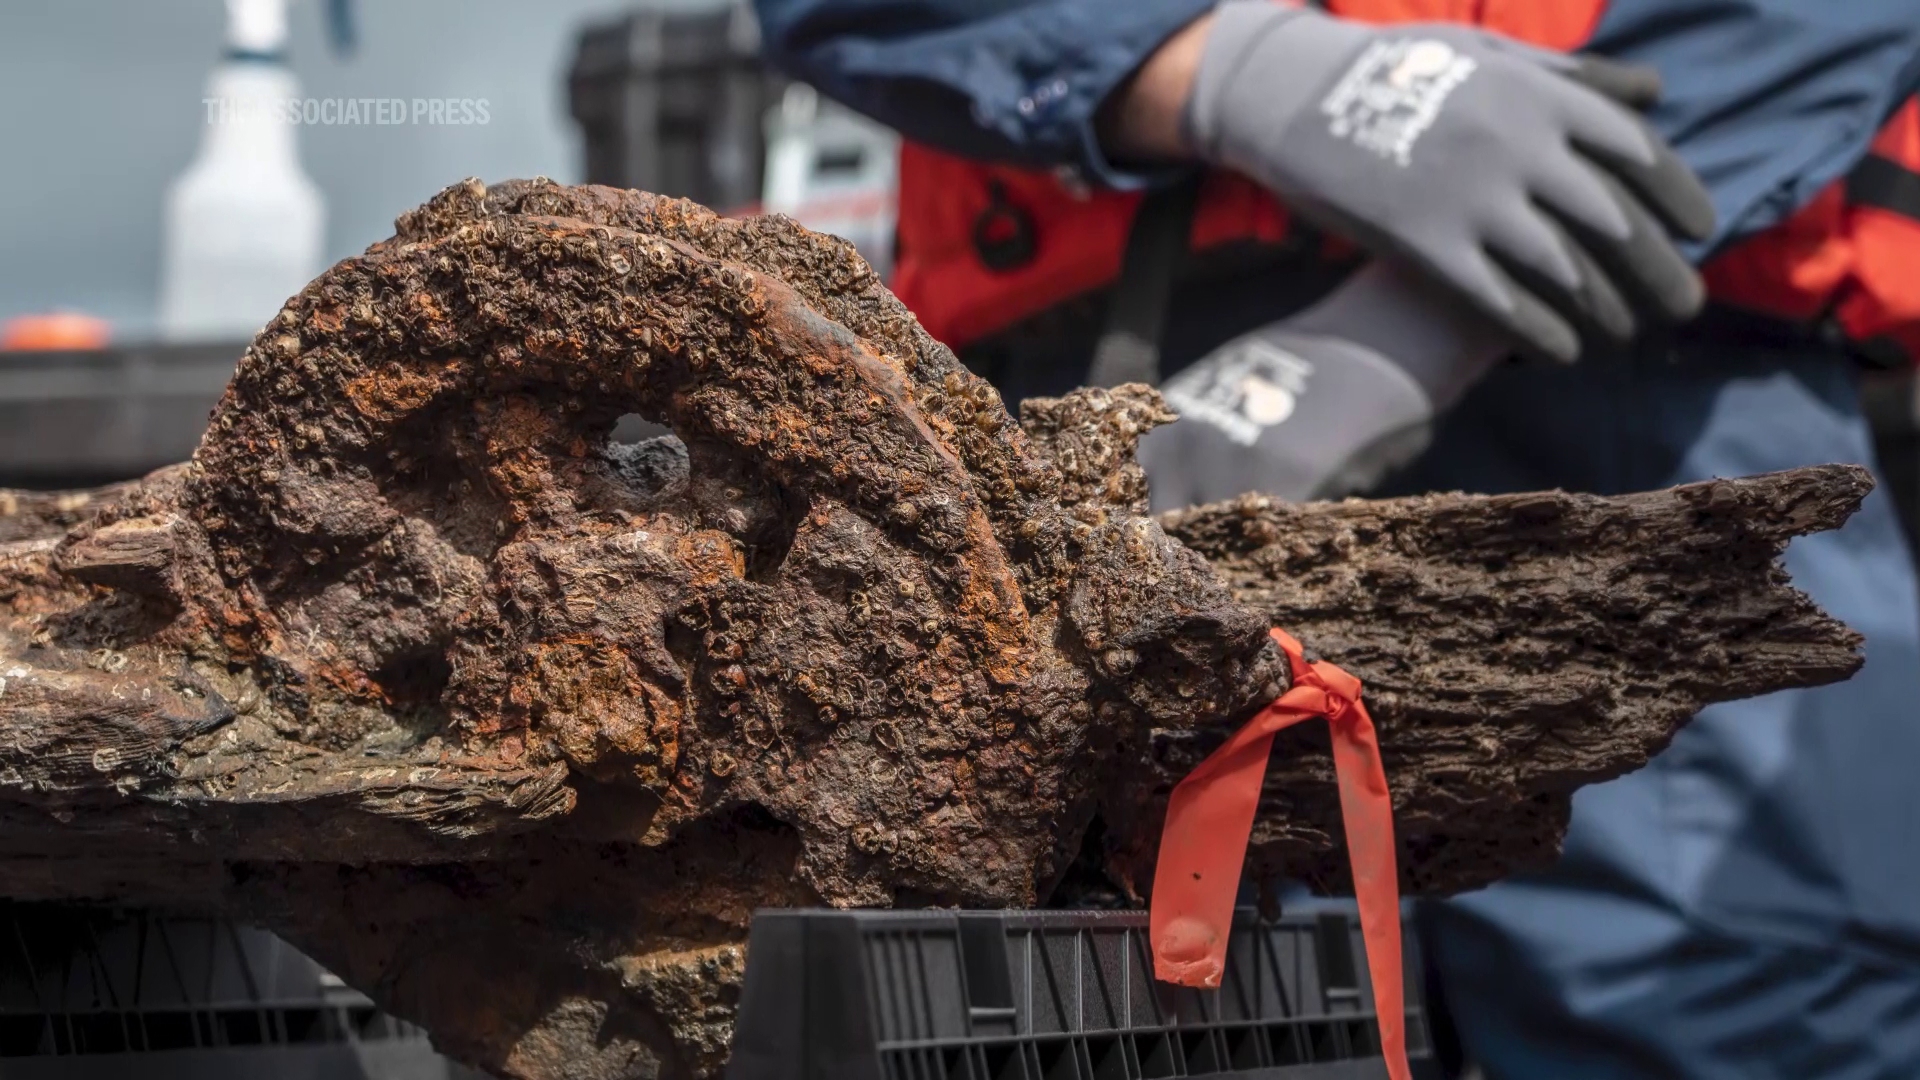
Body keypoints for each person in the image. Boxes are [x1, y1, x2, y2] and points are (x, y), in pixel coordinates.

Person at [754, 1, 1920, 1077]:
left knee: (1738, 1002)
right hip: (1125, 412)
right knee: (1132, 1011)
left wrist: (1407, 328)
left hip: (1673, 425)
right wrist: (1225, 67)